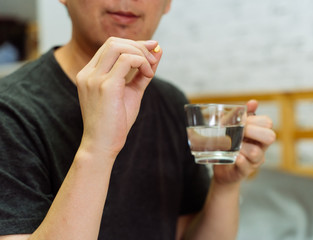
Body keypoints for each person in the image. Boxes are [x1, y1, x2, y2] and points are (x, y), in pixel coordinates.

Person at [0, 0, 276, 239]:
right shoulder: (9, 111)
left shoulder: (171, 102)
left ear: (167, 4)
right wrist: (98, 146)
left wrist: (225, 186)